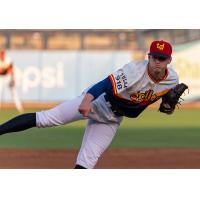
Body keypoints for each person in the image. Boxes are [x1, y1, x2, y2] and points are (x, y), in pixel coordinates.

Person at [0, 40, 182, 169]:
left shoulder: (172, 79)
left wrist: (168, 107)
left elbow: (165, 105)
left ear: (169, 61)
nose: (157, 61)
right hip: (98, 102)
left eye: (162, 58)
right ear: (148, 57)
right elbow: (104, 85)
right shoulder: (134, 71)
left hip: (111, 119)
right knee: (46, 118)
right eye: (154, 57)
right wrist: (87, 101)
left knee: (88, 161)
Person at [0, 49, 24, 113]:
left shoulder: (8, 59)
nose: (2, 55)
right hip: (1, 78)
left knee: (14, 93)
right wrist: (5, 69)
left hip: (8, 77)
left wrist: (13, 79)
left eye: (3, 54)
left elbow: (10, 70)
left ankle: (19, 108)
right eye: (1, 54)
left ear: (4, 54)